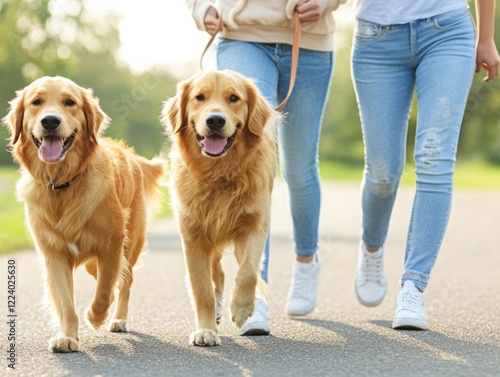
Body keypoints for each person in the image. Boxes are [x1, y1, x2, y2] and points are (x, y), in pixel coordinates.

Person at [185, 0, 347, 335]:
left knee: (299, 166)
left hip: (310, 38)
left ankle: (306, 261)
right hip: (243, 34)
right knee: (258, 152)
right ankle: (256, 294)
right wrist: (201, 7)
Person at [351, 0, 499, 329]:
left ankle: (413, 287)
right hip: (376, 38)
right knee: (382, 174)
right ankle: (372, 248)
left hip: (447, 31)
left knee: (435, 159)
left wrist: (485, 35)